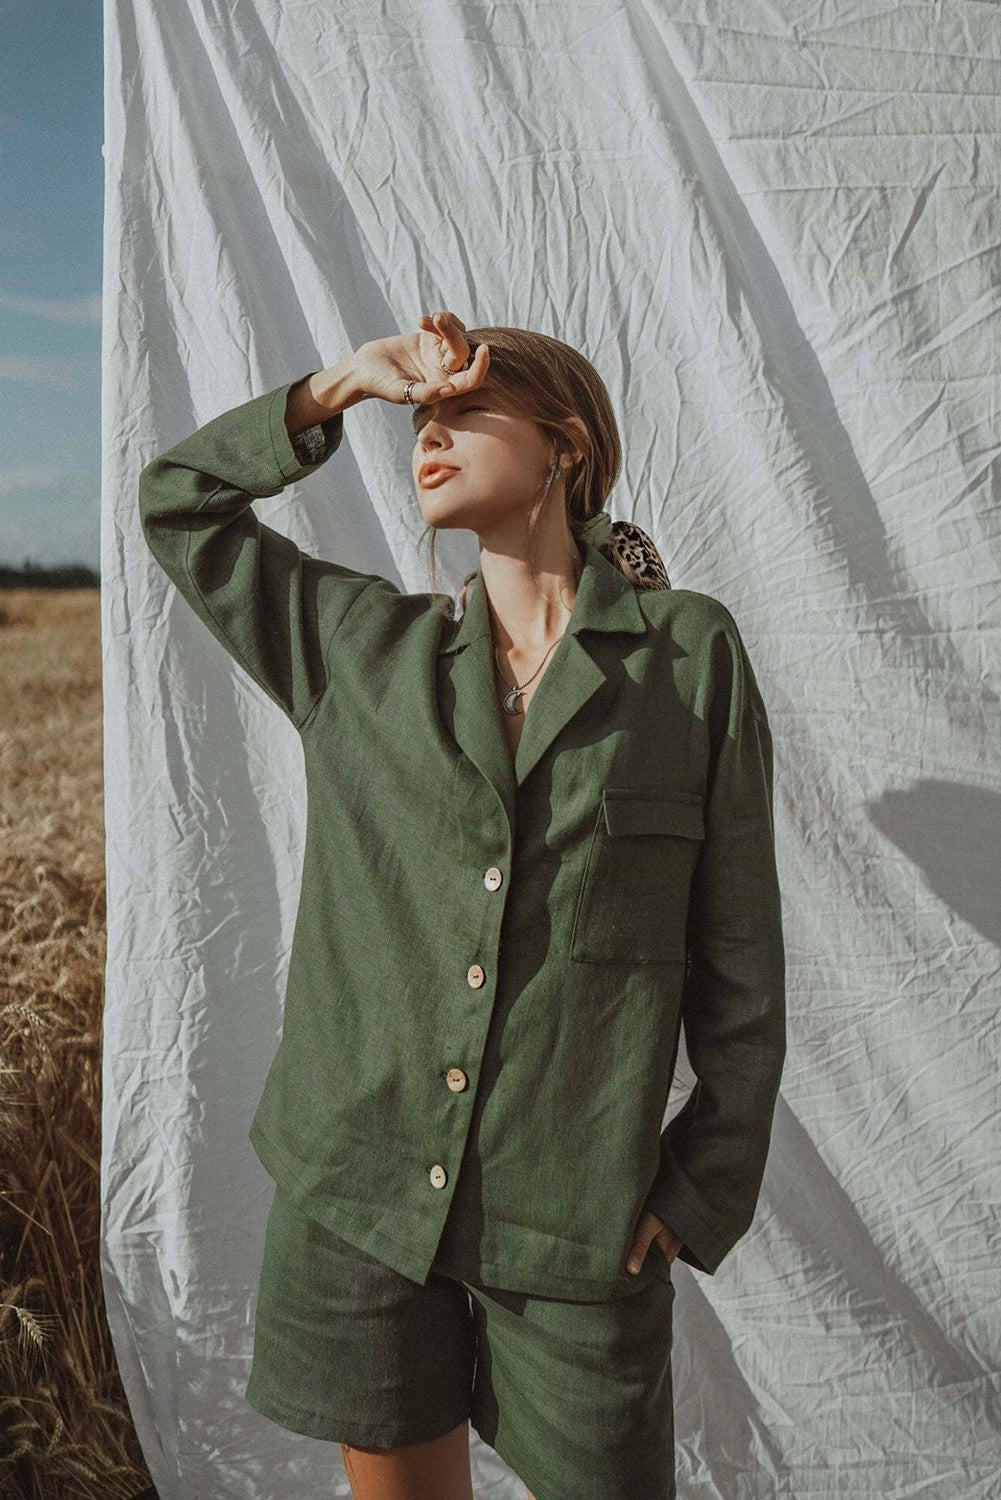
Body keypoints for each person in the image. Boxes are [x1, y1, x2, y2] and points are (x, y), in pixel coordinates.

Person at [138, 310, 786, 1500]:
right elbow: (175, 504)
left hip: (575, 1217)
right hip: (360, 1203)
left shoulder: (686, 659)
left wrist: (698, 1188)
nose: (425, 436)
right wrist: (342, 385)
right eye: (417, 422)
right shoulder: (358, 648)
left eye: (460, 412)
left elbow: (739, 951)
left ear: (565, 447)